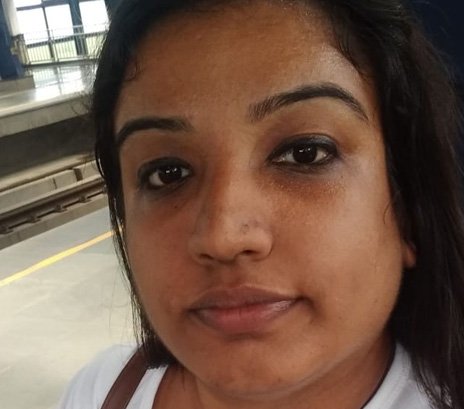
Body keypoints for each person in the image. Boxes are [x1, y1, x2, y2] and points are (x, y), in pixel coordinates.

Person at [59, 0, 464, 408]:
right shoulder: (99, 391)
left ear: (408, 209)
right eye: (168, 173)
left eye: (305, 153)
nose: (223, 237)